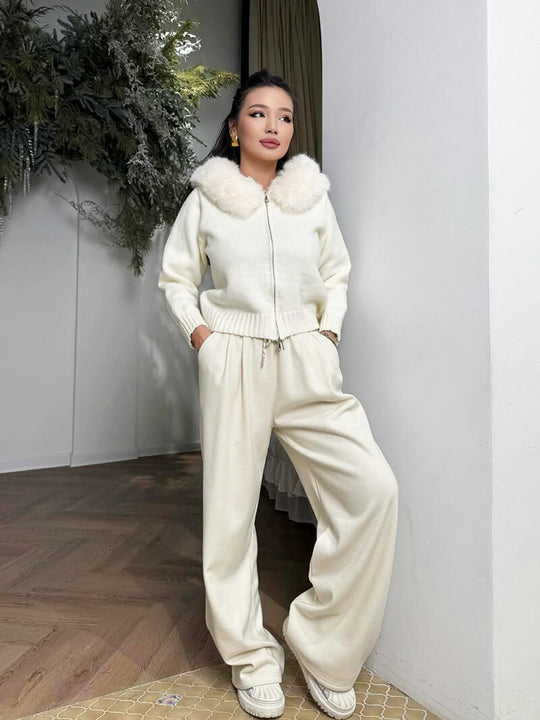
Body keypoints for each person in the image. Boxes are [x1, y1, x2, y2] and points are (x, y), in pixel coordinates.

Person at [158, 69, 399, 720]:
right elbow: (176, 278)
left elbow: (336, 273)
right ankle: (250, 659)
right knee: (229, 518)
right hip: (233, 358)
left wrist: (327, 330)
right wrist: (203, 336)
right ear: (235, 128)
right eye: (259, 113)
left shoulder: (310, 198)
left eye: (285, 116)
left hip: (305, 356)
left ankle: (324, 647)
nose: (273, 125)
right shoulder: (207, 199)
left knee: (372, 492)